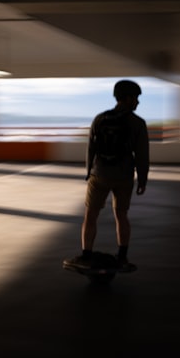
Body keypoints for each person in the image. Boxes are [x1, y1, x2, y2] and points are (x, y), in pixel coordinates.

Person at [71, 79, 149, 272]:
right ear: (128, 98)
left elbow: (91, 147)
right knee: (121, 215)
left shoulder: (100, 119)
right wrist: (142, 179)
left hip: (100, 174)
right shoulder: (137, 123)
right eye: (136, 98)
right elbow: (142, 154)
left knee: (90, 215)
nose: (137, 102)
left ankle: (86, 255)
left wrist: (89, 172)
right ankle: (122, 256)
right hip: (124, 176)